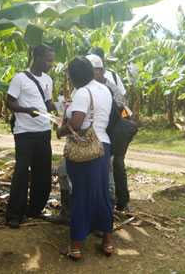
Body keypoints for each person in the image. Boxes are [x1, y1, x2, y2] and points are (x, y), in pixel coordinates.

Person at [56, 57, 114, 260]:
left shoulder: (81, 92)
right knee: (101, 193)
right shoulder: (104, 89)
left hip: (86, 149)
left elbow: (78, 124)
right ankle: (107, 242)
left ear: (73, 75)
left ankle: (76, 246)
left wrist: (60, 129)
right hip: (103, 146)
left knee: (80, 194)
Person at [6, 44, 55, 229]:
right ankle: (14, 214)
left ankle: (35, 209)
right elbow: (9, 102)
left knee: (42, 172)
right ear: (38, 57)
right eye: (48, 60)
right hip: (24, 133)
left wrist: (57, 109)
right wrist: (27, 110)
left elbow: (48, 103)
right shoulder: (20, 78)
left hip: (44, 131)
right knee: (21, 172)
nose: (51, 64)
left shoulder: (48, 80)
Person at [86, 54, 132, 212]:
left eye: (95, 71)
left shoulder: (110, 84)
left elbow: (121, 103)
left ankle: (120, 201)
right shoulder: (85, 86)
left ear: (101, 70)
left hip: (113, 131)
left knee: (115, 164)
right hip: (97, 133)